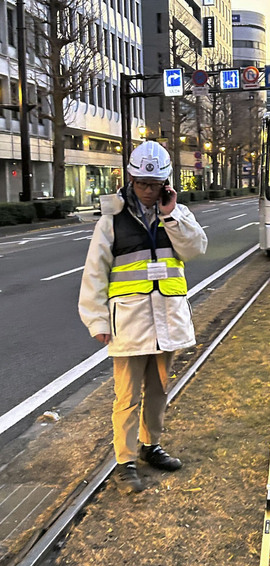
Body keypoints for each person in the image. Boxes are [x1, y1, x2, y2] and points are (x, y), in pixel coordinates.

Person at [79, 141, 208, 494]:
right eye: (142, 185)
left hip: (167, 318)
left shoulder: (175, 214)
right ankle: (125, 461)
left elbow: (196, 248)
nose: (149, 192)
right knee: (126, 396)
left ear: (167, 183)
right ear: (131, 180)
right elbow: (95, 273)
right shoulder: (112, 221)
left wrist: (171, 215)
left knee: (159, 390)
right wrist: (97, 321)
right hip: (130, 322)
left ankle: (151, 446)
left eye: (156, 185)